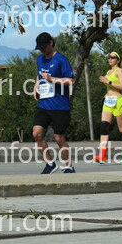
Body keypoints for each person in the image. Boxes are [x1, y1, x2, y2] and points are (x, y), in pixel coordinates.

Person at [32, 32, 76, 174]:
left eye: (44, 47)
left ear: (51, 43)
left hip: (60, 106)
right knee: (37, 133)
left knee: (59, 138)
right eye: (40, 48)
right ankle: (50, 163)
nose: (42, 50)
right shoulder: (40, 59)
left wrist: (52, 79)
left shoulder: (61, 60)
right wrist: (35, 87)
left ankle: (68, 166)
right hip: (44, 104)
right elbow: (39, 75)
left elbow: (71, 81)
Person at [94, 52, 122, 165]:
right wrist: (107, 93)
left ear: (118, 60)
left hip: (119, 102)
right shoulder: (108, 72)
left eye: (112, 57)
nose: (110, 59)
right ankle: (102, 155)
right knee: (104, 127)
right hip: (108, 102)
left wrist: (108, 81)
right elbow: (111, 88)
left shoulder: (120, 71)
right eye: (109, 57)